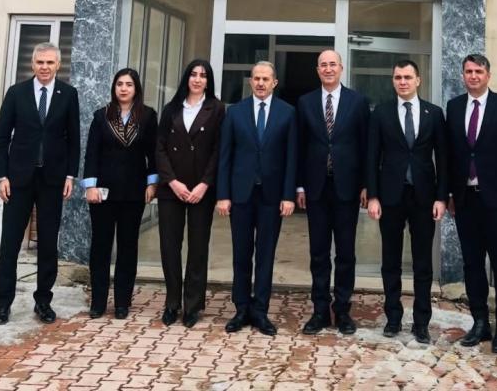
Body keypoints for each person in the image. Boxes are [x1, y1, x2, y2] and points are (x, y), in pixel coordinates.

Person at [444, 53, 497, 354]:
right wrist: (449, 194)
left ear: (488, 75)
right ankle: (480, 323)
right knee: (472, 264)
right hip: (466, 200)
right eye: (468, 71)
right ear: (463, 75)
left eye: (478, 71)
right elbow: (451, 155)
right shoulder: (454, 107)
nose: (473, 76)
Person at [0, 42, 80, 325]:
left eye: (50, 63)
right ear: (32, 64)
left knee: (48, 244)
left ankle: (43, 301)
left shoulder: (68, 94)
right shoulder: (16, 93)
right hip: (18, 180)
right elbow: (1, 138)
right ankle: (3, 304)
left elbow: (74, 139)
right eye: (40, 62)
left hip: (52, 180)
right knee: (10, 244)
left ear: (58, 65)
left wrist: (70, 176)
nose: (44, 67)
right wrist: (1, 176)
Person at [366, 59, 447, 344]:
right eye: (398, 77)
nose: (402, 82)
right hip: (390, 196)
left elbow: (443, 159)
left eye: (407, 77)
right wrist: (372, 195)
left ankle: (421, 322)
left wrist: (441, 197)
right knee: (391, 260)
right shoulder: (381, 113)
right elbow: (371, 156)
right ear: (393, 81)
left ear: (418, 80)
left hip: (424, 197)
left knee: (423, 262)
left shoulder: (434, 114)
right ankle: (393, 317)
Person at [216, 61, 297, 336]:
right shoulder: (235, 112)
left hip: (272, 197)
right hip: (240, 195)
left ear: (275, 82)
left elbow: (291, 158)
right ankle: (241, 308)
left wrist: (288, 195)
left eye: (266, 79)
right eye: (256, 78)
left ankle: (260, 310)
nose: (261, 83)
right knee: (241, 254)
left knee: (265, 255)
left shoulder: (288, 113)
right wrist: (223, 195)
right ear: (250, 81)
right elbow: (225, 156)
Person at [296, 50, 369, 335]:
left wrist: (366, 185)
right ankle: (319, 311)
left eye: (332, 64)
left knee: (346, 252)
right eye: (323, 65)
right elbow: (299, 147)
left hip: (347, 189)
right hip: (316, 188)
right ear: (317, 70)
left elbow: (365, 147)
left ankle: (342, 310)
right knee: (318, 252)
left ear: (341, 68)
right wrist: (299, 185)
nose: (328, 69)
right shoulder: (305, 102)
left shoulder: (358, 102)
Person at [82, 68, 158, 320]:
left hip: (134, 192)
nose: (123, 88)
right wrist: (90, 186)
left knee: (128, 247)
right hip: (103, 192)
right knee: (100, 247)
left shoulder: (147, 116)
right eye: (119, 84)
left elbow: (153, 154)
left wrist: (152, 183)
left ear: (136, 89)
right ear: (114, 88)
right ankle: (98, 301)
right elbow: (91, 153)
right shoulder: (101, 115)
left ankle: (123, 302)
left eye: (129, 84)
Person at [155, 59, 225, 328]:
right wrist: (172, 182)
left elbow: (219, 150)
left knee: (197, 247)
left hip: (201, 190)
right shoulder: (172, 108)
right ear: (186, 78)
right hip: (172, 188)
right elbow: (159, 147)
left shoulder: (217, 109)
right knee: (169, 246)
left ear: (208, 81)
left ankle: (192, 305)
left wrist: (205, 184)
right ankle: (172, 302)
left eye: (203, 75)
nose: (197, 79)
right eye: (193, 74)